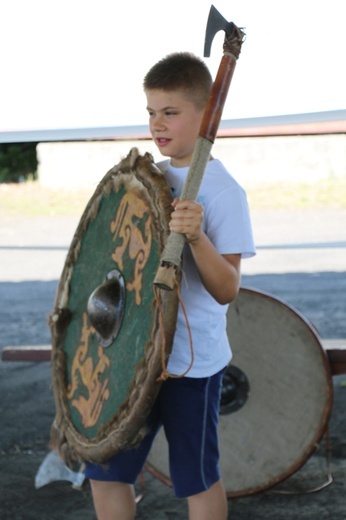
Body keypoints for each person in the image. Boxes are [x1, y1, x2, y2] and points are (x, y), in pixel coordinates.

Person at [84, 52, 256, 520]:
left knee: (195, 478)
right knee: (107, 473)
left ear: (206, 114)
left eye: (171, 112)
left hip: (190, 365)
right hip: (132, 354)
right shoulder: (146, 180)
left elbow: (227, 289)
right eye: (151, 112)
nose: (157, 123)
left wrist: (197, 237)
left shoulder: (223, 193)